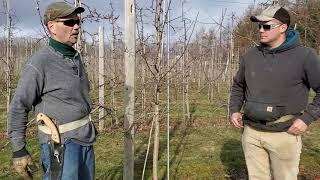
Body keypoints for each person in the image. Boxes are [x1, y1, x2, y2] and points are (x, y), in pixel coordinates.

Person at [229, 5, 320, 180]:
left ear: (283, 28)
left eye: (267, 26)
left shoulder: (305, 56)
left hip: (284, 134)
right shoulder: (250, 56)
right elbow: (238, 85)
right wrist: (234, 109)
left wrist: (306, 118)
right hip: (251, 133)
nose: (261, 30)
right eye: (259, 26)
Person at [8, 2, 97, 179]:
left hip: (85, 139)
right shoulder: (41, 62)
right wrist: (19, 149)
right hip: (61, 145)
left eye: (78, 21)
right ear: (52, 27)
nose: (77, 26)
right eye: (69, 22)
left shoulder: (75, 57)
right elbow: (19, 105)